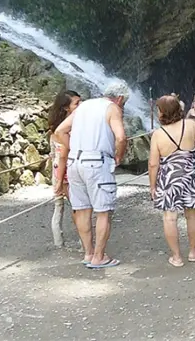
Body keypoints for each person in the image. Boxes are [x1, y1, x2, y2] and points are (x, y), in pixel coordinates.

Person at [53, 82, 128, 269]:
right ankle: (99, 257)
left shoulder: (84, 106)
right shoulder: (112, 108)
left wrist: (73, 148)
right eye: (124, 102)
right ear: (119, 98)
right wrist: (118, 156)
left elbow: (59, 131)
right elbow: (121, 137)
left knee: (82, 209)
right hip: (97, 162)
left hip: (74, 162)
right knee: (103, 211)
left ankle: (88, 253)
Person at [149, 96, 195, 267]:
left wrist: (152, 186)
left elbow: (153, 164)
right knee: (193, 215)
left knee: (170, 218)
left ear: (163, 112)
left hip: (168, 180)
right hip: (189, 177)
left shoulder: (158, 134)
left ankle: (176, 257)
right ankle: (193, 252)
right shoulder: (190, 125)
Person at [48, 90, 81, 247]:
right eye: (76, 103)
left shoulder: (54, 127)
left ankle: (58, 243)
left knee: (59, 207)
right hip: (66, 171)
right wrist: (60, 180)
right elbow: (62, 156)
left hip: (57, 170)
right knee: (78, 207)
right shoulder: (68, 129)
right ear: (66, 107)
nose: (80, 105)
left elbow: (53, 153)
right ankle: (84, 242)